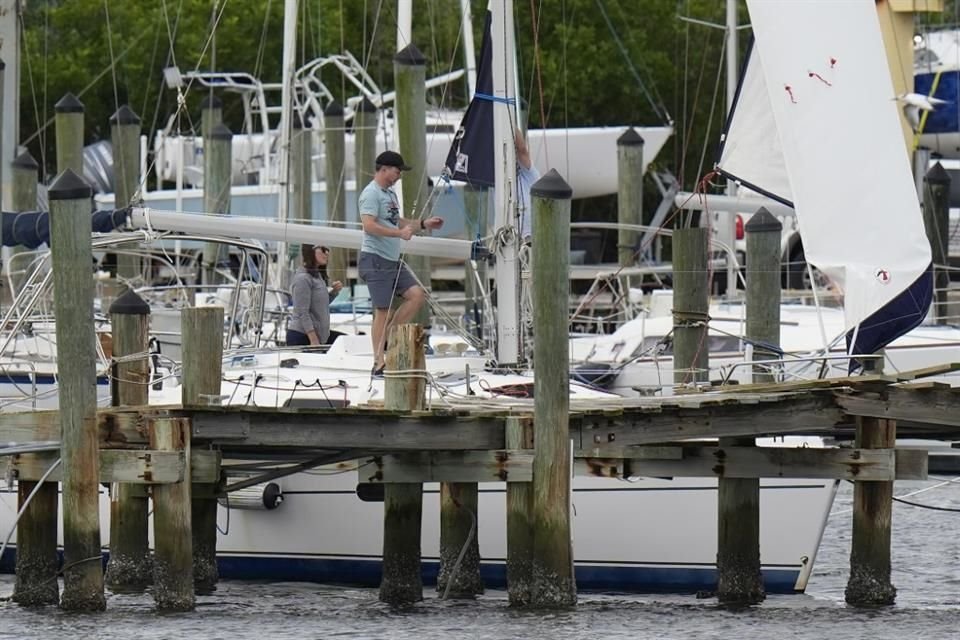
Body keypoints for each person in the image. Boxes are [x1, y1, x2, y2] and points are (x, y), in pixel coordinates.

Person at [357, 150, 444, 376]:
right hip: (375, 259)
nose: (399, 176)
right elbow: (368, 225)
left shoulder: (390, 194)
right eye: (397, 171)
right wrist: (398, 234)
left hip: (392, 260)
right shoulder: (371, 194)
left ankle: (391, 335)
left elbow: (399, 221)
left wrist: (424, 224)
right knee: (382, 310)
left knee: (417, 295)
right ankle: (378, 362)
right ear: (384, 169)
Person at [286, 244, 343, 347]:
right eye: (322, 249)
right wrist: (314, 340)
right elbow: (302, 312)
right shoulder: (302, 279)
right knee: (345, 344)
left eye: (327, 250)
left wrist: (334, 292)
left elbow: (319, 305)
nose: (327, 253)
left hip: (319, 336)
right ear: (310, 252)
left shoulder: (317, 277)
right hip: (302, 336)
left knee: (346, 342)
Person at [516, 130, 541, 242]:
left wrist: (509, 121)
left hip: (530, 235)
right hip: (507, 236)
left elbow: (522, 150)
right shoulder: (496, 174)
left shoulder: (530, 173)